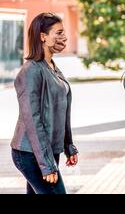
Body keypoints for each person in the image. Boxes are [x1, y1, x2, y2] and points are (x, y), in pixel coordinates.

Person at [11, 13, 78, 194]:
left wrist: (68, 146)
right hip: (30, 154)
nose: (64, 38)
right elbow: (33, 120)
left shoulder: (52, 67)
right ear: (43, 37)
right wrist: (47, 165)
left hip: (46, 151)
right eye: (59, 33)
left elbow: (61, 111)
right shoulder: (31, 71)